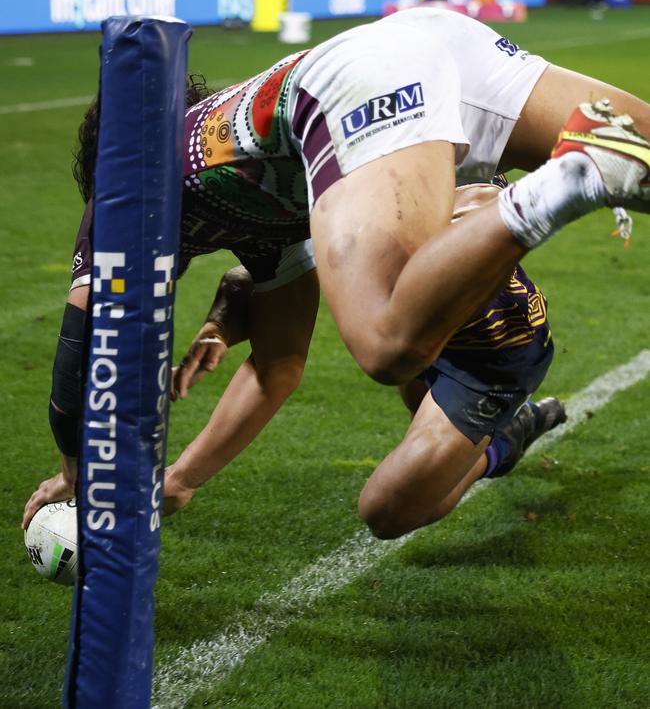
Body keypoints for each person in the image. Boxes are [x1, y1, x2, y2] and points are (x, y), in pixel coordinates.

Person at [23, 6, 650, 530]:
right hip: (429, 42)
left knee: (385, 344)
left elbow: (82, 353)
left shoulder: (126, 187)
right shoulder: (254, 218)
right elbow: (278, 366)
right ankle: (576, 165)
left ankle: (551, 189)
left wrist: (74, 470)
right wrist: (183, 478)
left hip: (361, 79)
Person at [161, 181, 567, 540]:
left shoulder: (398, 152)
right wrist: (219, 327)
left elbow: (490, 192)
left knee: (388, 512)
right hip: (402, 340)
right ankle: (481, 444)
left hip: (488, 356)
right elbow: (252, 279)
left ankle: (504, 441)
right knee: (419, 455)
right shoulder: (275, 187)